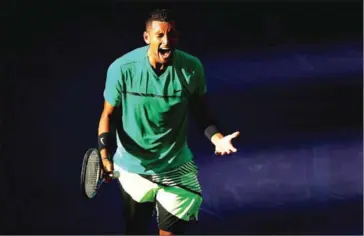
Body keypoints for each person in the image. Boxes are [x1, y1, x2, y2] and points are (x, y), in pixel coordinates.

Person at [97, 8, 240, 235]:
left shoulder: (191, 68)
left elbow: (200, 111)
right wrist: (104, 155)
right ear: (147, 38)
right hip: (134, 167)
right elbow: (108, 115)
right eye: (160, 35)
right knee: (135, 231)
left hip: (175, 167)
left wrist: (218, 138)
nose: (167, 41)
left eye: (171, 35)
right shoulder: (122, 69)